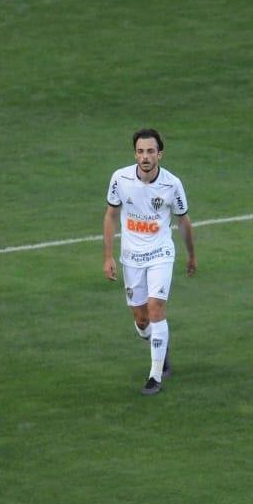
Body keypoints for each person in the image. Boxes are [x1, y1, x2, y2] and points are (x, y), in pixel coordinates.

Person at [102, 128, 196, 395]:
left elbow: (183, 220)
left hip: (160, 254)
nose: (145, 157)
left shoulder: (172, 184)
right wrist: (108, 256)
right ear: (135, 154)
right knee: (142, 319)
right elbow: (110, 215)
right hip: (131, 257)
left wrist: (191, 254)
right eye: (141, 151)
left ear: (160, 154)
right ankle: (160, 344)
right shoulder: (120, 179)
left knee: (156, 311)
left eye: (150, 151)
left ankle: (155, 376)